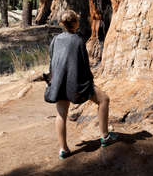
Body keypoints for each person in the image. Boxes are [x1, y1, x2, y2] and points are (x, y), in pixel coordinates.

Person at [48, 10, 117, 159]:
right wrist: (90, 81)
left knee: (61, 114)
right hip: (76, 82)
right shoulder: (78, 40)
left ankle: (63, 149)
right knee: (104, 99)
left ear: (61, 23)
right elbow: (84, 65)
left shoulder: (55, 40)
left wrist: (52, 81)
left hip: (59, 82)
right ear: (76, 23)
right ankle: (105, 137)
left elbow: (51, 61)